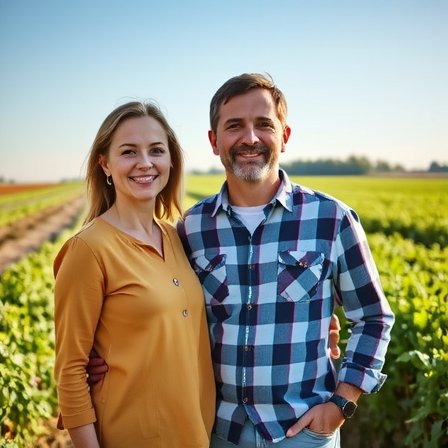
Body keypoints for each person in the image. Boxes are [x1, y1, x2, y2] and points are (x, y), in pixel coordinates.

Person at [175, 73, 395, 447]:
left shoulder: (332, 219)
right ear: (214, 141)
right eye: (234, 126)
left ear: (285, 136)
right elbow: (170, 317)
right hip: (216, 431)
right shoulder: (192, 228)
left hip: (303, 432)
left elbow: (373, 316)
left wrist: (342, 402)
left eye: (264, 125)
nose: (250, 138)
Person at [53, 101, 216, 447]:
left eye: (156, 150)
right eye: (128, 152)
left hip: (195, 435)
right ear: (105, 164)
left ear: (171, 159)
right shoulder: (88, 250)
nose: (145, 162)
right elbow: (70, 371)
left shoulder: (175, 237)